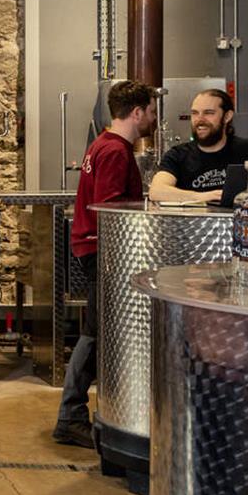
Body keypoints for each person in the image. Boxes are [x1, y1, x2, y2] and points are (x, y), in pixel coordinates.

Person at [56, 79, 157, 449]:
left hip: (92, 246)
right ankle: (70, 416)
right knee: (95, 332)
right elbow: (109, 209)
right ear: (137, 112)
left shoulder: (101, 144)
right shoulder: (115, 151)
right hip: (103, 250)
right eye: (150, 111)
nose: (153, 117)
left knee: (95, 330)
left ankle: (79, 412)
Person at [148, 87, 248, 204]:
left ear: (227, 117)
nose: (200, 119)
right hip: (192, 222)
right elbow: (157, 191)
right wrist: (205, 196)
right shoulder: (177, 155)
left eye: (208, 113)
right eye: (195, 113)